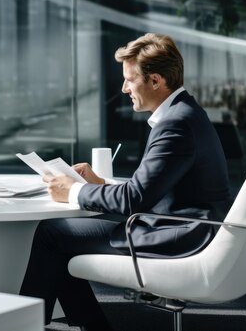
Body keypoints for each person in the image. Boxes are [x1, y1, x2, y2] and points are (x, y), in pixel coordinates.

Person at [19, 33, 231, 330]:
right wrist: (100, 183)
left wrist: (75, 191)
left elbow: (133, 201)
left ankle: (24, 326)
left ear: (155, 80)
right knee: (61, 236)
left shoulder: (176, 124)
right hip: (184, 224)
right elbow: (153, 187)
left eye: (130, 80)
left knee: (53, 234)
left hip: (179, 233)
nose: (123, 88)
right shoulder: (185, 112)